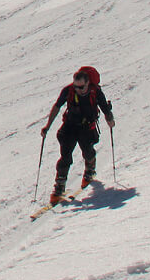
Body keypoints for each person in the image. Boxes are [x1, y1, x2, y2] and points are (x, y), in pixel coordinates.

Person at [40, 65, 115, 203]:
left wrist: (109, 119)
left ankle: (90, 169)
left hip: (87, 127)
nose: (78, 90)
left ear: (88, 83)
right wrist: (47, 126)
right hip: (70, 125)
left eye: (81, 87)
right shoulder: (68, 90)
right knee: (65, 156)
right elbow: (57, 106)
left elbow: (104, 107)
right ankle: (59, 187)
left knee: (87, 151)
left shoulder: (95, 91)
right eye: (76, 86)